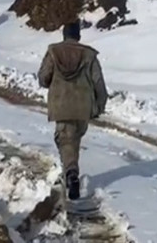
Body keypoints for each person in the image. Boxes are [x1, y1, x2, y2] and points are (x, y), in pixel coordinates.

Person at [37, 21, 108, 200]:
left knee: (66, 140)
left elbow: (44, 78)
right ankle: (69, 172)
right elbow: (99, 83)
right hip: (83, 107)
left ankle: (71, 175)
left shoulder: (53, 52)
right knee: (72, 140)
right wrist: (99, 106)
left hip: (62, 105)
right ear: (78, 35)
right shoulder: (89, 55)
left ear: (64, 35)